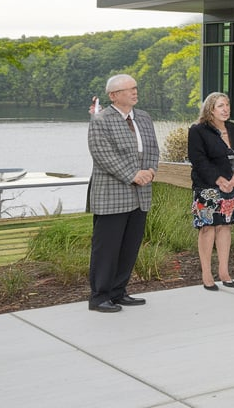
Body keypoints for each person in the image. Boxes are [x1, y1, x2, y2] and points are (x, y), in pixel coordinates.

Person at [87, 74, 158, 313]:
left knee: (129, 247)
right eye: (129, 89)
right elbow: (103, 155)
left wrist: (150, 171)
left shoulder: (144, 118)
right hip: (112, 195)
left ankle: (118, 292)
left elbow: (152, 150)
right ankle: (99, 297)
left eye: (135, 87)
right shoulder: (101, 120)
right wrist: (132, 175)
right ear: (113, 95)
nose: (134, 92)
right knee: (107, 248)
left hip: (140, 195)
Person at [188, 92, 234, 290]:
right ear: (210, 109)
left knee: (225, 226)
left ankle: (224, 271)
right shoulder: (198, 131)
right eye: (221, 106)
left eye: (227, 105)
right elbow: (198, 160)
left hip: (231, 187)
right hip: (208, 188)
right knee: (208, 228)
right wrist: (219, 180)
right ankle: (206, 274)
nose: (226, 109)